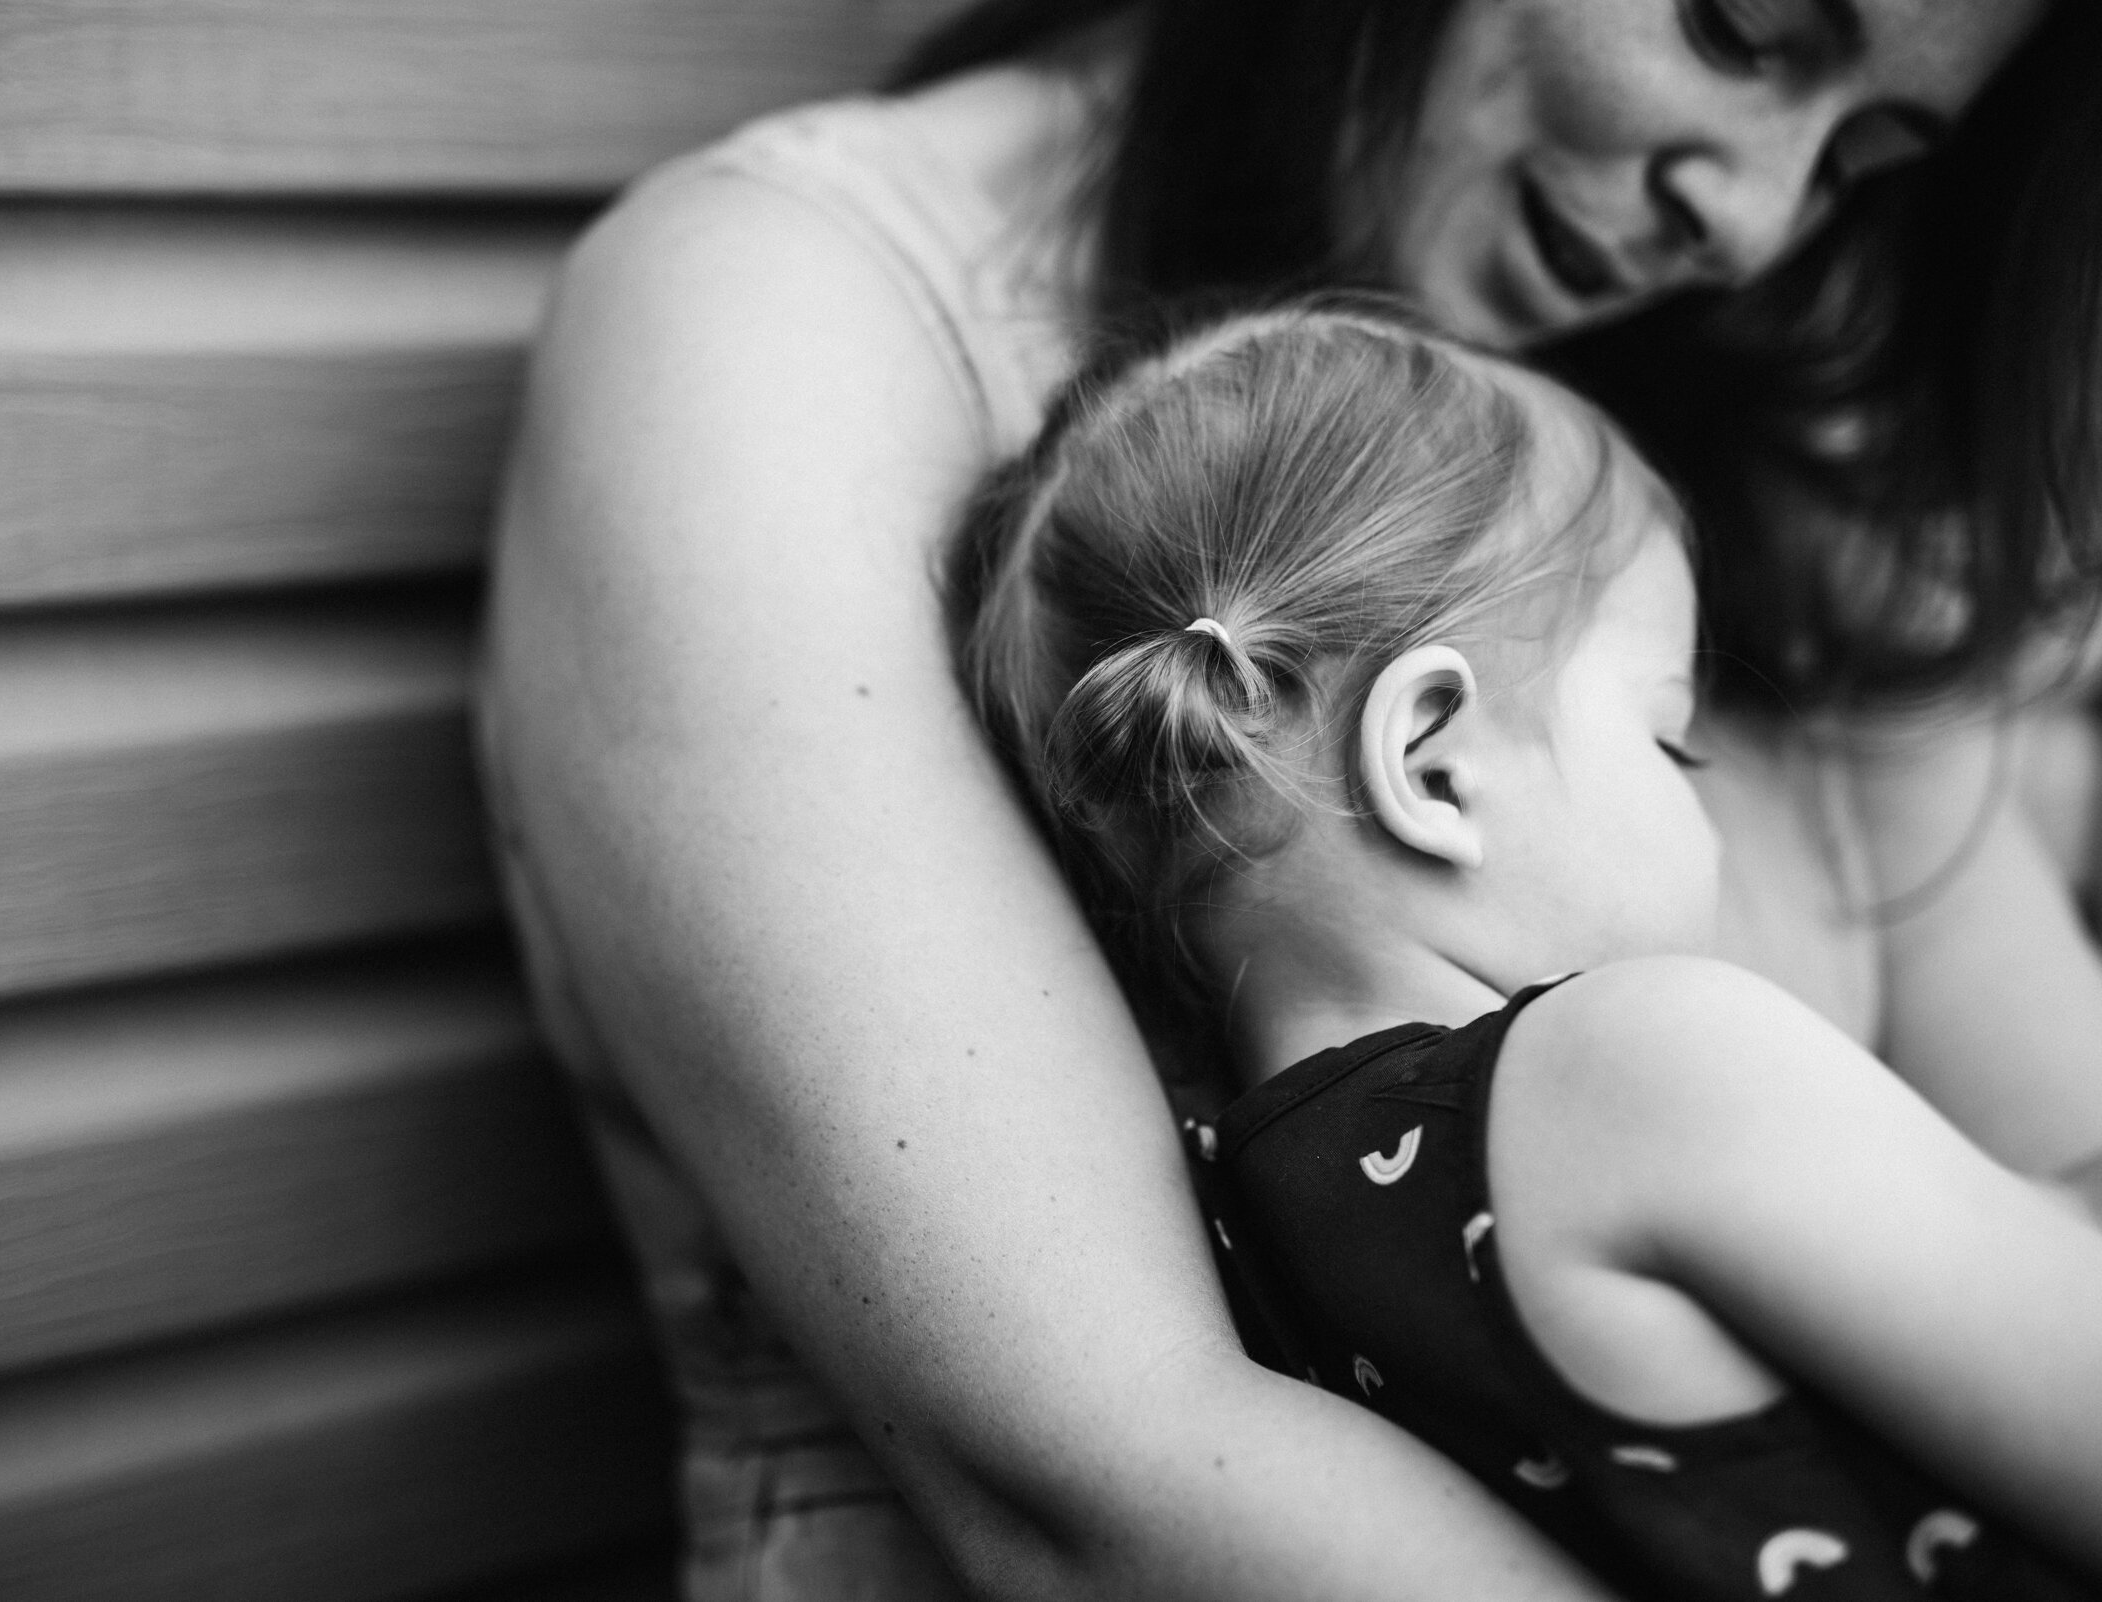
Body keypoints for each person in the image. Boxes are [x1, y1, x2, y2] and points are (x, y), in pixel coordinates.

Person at [479, 2, 2102, 1595]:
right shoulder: (789, 323)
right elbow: (1098, 1479)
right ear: (1427, 754)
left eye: (1864, 159)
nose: (1752, 222)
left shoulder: (1751, 427)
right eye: (1737, 30)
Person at [950, 298, 2102, 1600]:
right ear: (1435, 766)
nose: (1714, 818)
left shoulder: (1244, 1230)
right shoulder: (1637, 1062)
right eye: (1671, 741)